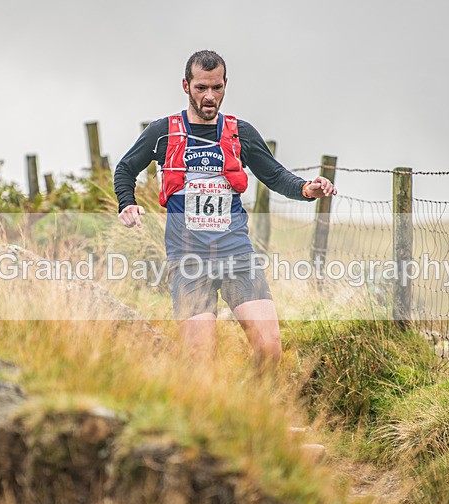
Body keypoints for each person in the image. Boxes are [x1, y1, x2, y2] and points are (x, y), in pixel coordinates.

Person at [113, 50, 336, 370]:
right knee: (200, 357)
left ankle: (254, 410)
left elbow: (274, 175)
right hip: (188, 259)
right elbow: (124, 169)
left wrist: (305, 189)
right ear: (185, 86)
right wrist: (127, 203)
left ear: (225, 85)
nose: (209, 96)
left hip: (236, 254)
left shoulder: (240, 132)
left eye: (216, 88)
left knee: (270, 350)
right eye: (201, 87)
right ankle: (206, 414)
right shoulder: (163, 131)